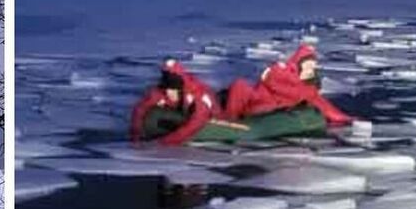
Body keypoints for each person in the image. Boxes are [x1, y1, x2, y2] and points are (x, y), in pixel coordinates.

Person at [224, 44, 352, 126]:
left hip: (270, 111)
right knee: (239, 86)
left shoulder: (309, 88)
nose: (310, 70)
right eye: (307, 65)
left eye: (312, 67)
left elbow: (324, 106)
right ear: (298, 64)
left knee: (242, 89)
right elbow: (271, 80)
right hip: (258, 103)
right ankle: (229, 119)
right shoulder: (282, 72)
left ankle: (231, 120)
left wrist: (346, 119)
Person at [130, 58, 222, 145]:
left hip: (209, 121)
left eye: (173, 89)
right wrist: (136, 134)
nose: (169, 92)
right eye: (167, 89)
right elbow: (140, 109)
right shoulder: (161, 91)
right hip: (181, 117)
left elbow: (197, 121)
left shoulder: (198, 94)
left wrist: (166, 141)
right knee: (152, 114)